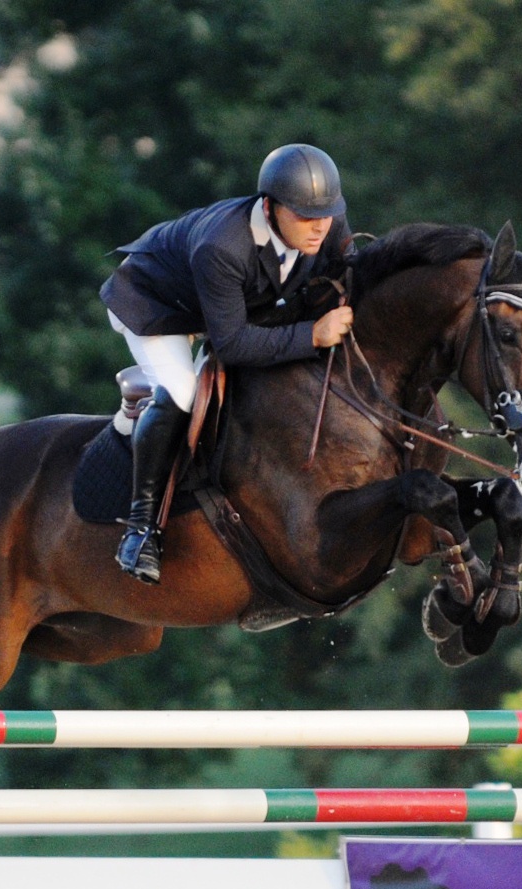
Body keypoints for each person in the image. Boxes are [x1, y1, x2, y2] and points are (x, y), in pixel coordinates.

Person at [100, 143, 355, 584]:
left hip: (222, 308)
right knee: (183, 394)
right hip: (153, 306)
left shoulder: (324, 222)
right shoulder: (223, 246)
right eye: (306, 218)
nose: (320, 229)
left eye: (328, 215)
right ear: (271, 208)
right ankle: (141, 530)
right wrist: (312, 335)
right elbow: (235, 346)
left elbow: (350, 273)